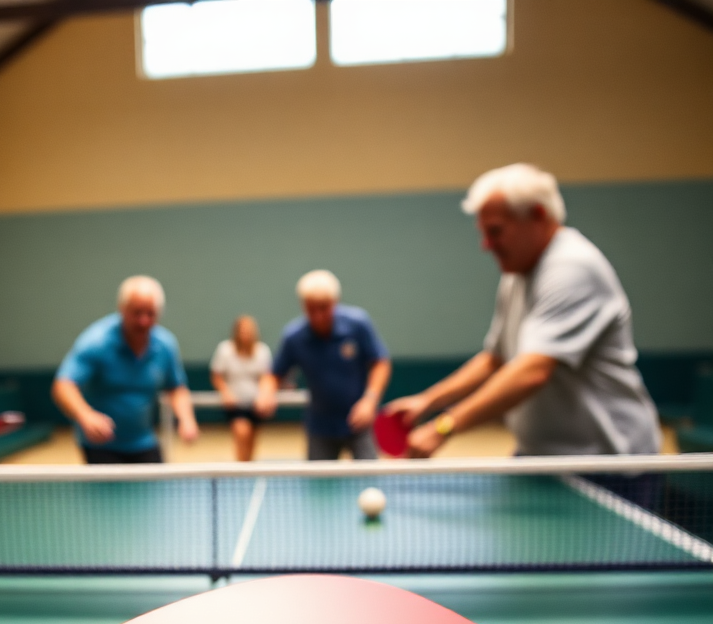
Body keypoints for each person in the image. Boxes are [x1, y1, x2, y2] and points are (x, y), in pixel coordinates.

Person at [384, 163, 661, 458]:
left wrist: (444, 427)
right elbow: (496, 359)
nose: (486, 245)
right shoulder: (517, 272)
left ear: (538, 215)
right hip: (543, 456)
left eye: (496, 232)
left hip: (608, 462)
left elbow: (532, 371)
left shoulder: (572, 267)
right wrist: (427, 402)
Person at [52, 276, 198, 463]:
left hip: (144, 441)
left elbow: (176, 387)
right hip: (101, 446)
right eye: (136, 313)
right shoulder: (96, 342)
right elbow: (63, 386)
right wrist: (85, 415)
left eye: (150, 313)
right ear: (121, 309)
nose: (143, 321)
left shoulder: (165, 345)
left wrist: (187, 419)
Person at [255, 270, 391, 460]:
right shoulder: (294, 337)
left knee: (370, 484)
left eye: (324, 308)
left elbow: (380, 363)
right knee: (318, 487)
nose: (318, 316)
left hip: (360, 421)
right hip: (320, 427)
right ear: (303, 306)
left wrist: (370, 399)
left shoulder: (358, 324)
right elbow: (274, 374)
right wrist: (266, 392)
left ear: (335, 302)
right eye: (311, 309)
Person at [210, 315, 273, 461]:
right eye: (243, 330)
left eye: (249, 330)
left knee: (251, 442)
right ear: (236, 331)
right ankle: (240, 470)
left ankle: (247, 470)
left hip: (256, 405)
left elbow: (266, 378)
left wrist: (263, 396)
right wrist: (225, 393)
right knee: (241, 432)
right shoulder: (225, 350)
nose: (246, 333)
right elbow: (216, 376)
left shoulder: (262, 351)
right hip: (235, 405)